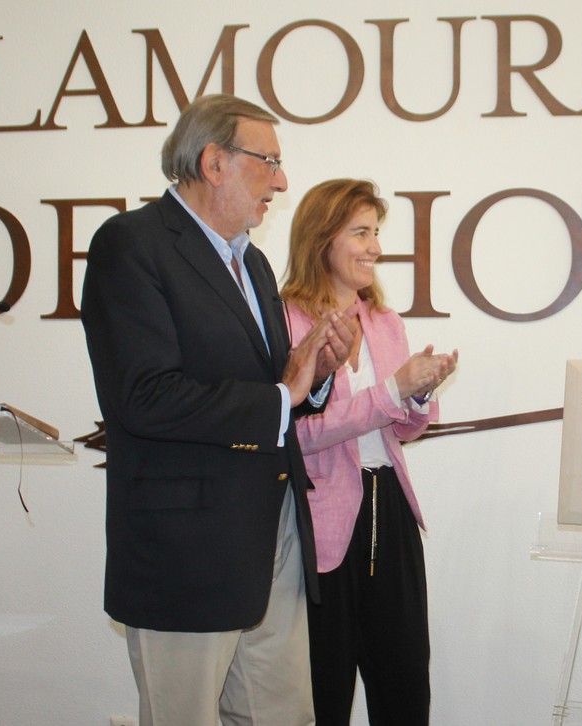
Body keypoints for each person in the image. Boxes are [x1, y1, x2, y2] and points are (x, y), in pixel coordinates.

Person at [80, 94, 355, 725]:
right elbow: (143, 397)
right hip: (186, 552)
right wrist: (282, 395)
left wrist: (315, 376)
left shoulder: (252, 261)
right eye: (270, 162)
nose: (282, 181)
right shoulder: (132, 244)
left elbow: (275, 391)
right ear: (213, 162)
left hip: (273, 536)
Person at [281, 178, 458, 725]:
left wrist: (419, 393)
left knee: (404, 685)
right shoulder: (286, 321)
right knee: (323, 691)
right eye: (361, 233)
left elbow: (404, 430)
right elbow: (295, 435)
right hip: (320, 526)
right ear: (322, 237)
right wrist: (391, 392)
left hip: (392, 515)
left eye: (375, 232)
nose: (375, 247)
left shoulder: (384, 321)